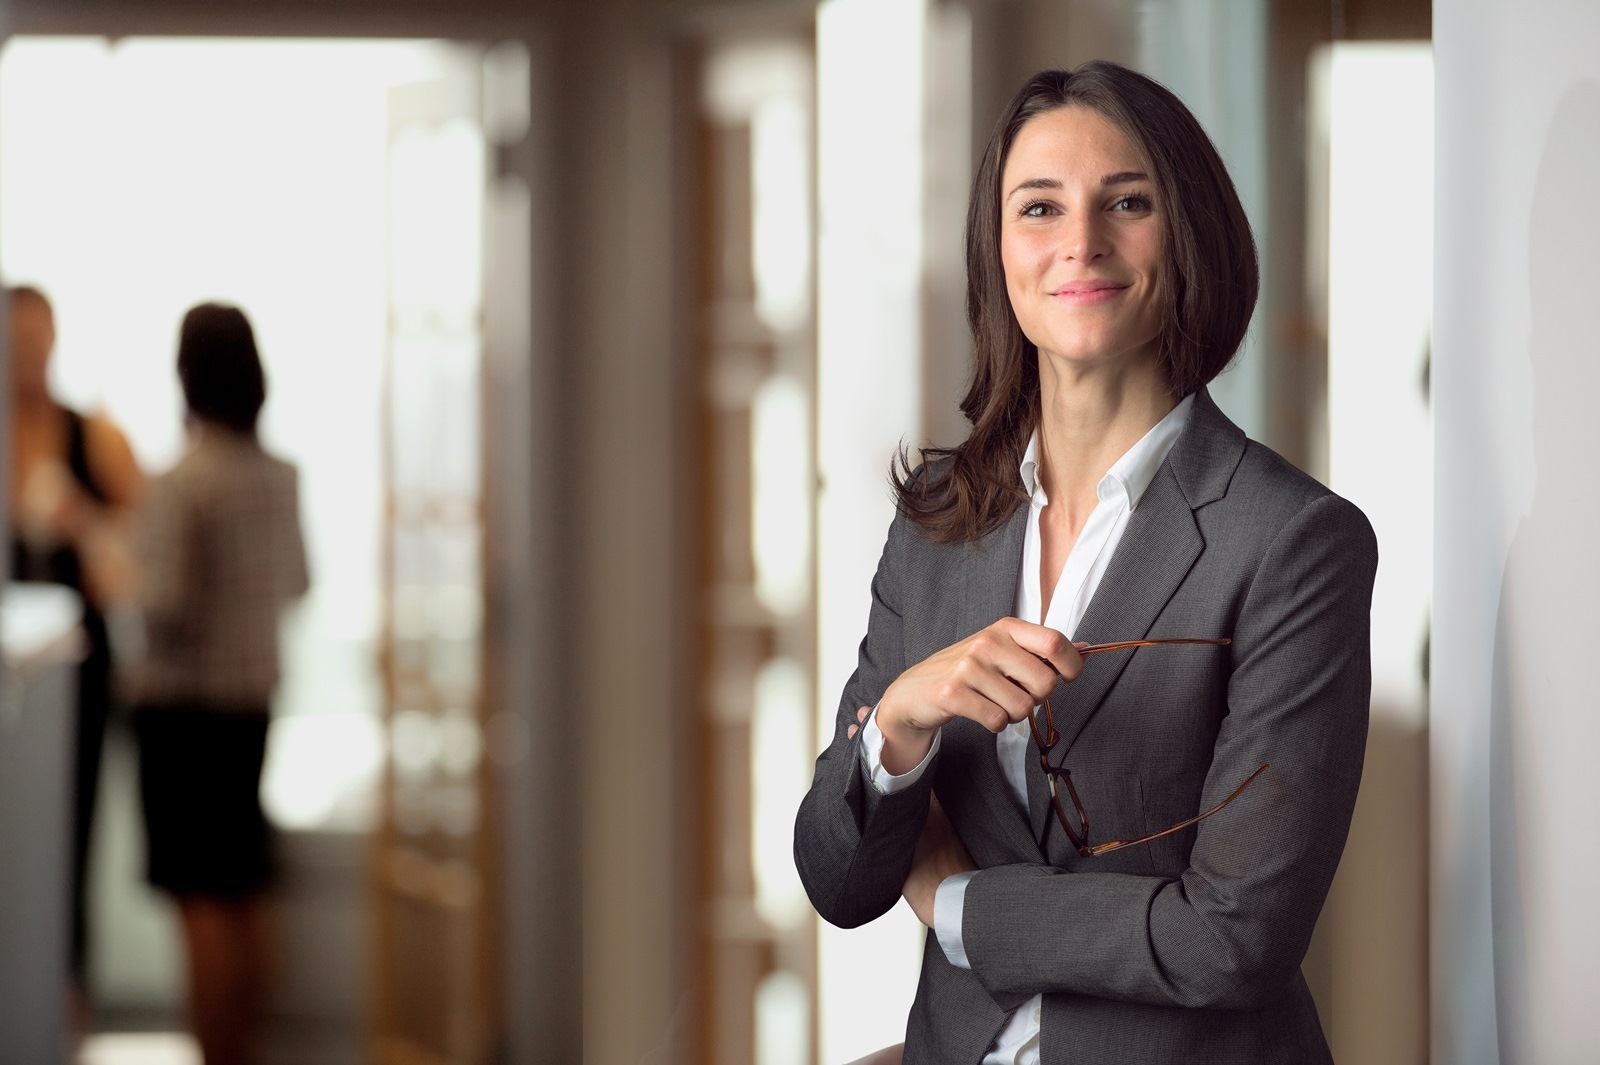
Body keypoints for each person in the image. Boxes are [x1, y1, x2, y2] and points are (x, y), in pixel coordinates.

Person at [793, 62, 1377, 1065]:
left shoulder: (1293, 543)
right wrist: (894, 729)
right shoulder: (939, 520)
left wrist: (957, 907)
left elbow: (1234, 941)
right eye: (1038, 207)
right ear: (998, 250)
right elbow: (839, 885)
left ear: (1188, 234)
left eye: (1127, 202)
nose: (1079, 244)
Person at [131, 303, 309, 1065]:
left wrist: (116, 565)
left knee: (201, 896)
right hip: (251, 708)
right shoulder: (280, 476)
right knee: (244, 887)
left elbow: (163, 606)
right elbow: (300, 581)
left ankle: (216, 1053)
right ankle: (245, 1051)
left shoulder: (182, 482)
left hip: (184, 713)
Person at [6, 284, 144, 1000]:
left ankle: (65, 1013)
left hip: (74, 678)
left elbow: (142, 563)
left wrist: (81, 523)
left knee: (67, 847)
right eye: (15, 343)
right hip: (10, 673)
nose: (28, 357)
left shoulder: (94, 435)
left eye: (38, 340)